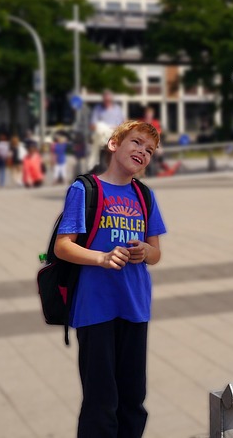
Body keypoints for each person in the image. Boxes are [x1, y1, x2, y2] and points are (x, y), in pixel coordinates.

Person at [53, 120, 167, 438]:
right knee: (101, 401)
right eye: (136, 142)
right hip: (95, 309)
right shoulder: (85, 190)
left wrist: (145, 251)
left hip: (135, 307)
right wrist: (101, 258)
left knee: (133, 399)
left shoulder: (144, 196)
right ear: (114, 145)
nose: (143, 152)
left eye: (149, 150)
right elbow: (63, 246)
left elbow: (156, 253)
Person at [91, 90, 126, 172]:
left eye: (108, 100)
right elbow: (92, 125)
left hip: (115, 136)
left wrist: (115, 128)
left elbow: (124, 123)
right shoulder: (98, 109)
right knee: (102, 162)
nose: (107, 102)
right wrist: (104, 128)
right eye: (105, 100)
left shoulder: (117, 109)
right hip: (103, 138)